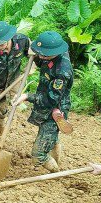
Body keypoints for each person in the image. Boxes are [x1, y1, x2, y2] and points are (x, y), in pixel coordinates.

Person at [11, 31, 72, 172]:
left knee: (38, 155)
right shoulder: (49, 52)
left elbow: (51, 99)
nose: (41, 57)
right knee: (51, 137)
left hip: (55, 108)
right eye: (40, 53)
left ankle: (56, 172)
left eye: (44, 55)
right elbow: (34, 49)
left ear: (55, 52)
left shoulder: (62, 72)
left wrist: (27, 96)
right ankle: (53, 141)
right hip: (46, 104)